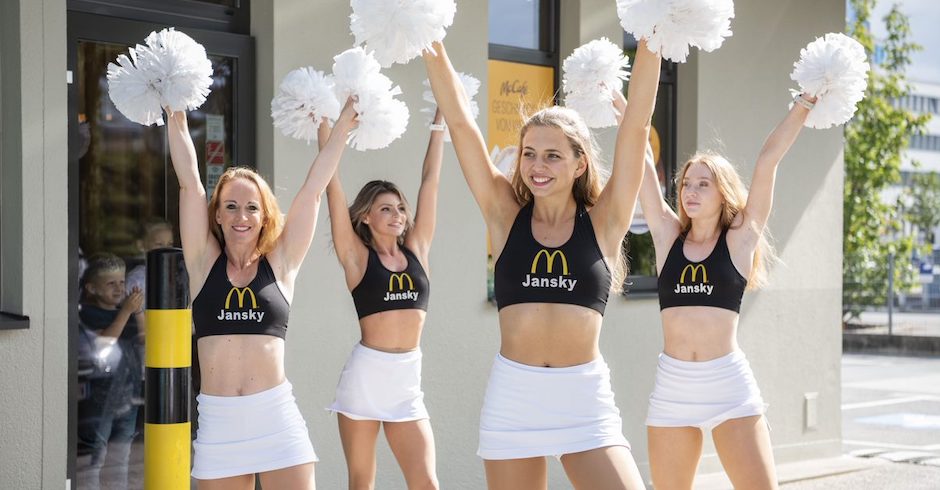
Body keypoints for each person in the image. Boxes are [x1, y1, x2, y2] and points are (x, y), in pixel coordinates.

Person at [422, 38, 660, 489]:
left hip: (584, 397)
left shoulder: (605, 221)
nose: (537, 165)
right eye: (529, 153)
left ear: (579, 163)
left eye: (553, 155)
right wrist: (429, 39)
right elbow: (459, 119)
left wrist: (653, 37)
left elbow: (635, 127)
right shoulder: (503, 214)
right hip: (514, 396)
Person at [166, 98, 357, 489]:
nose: (241, 217)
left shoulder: (281, 263)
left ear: (265, 215)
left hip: (276, 421)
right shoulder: (203, 264)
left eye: (252, 207)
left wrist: (341, 127)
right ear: (216, 214)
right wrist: (176, 115)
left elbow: (314, 190)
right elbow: (189, 183)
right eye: (231, 206)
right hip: (219, 424)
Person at [635, 82, 816, 488]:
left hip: (728, 385)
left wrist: (805, 103)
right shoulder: (667, 237)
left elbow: (768, 161)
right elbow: (643, 163)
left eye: (704, 183)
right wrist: (621, 107)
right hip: (673, 387)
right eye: (686, 183)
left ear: (723, 192)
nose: (691, 191)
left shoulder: (739, 239)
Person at [321, 108, 444, 490]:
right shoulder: (357, 258)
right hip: (365, 379)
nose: (397, 215)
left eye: (400, 208)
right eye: (385, 209)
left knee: (425, 481)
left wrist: (439, 124)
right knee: (362, 482)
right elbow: (332, 186)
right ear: (366, 218)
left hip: (407, 381)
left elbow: (430, 182)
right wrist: (327, 127)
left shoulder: (418, 249)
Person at [77, 253, 145, 490]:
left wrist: (137, 311)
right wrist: (126, 312)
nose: (119, 288)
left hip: (128, 394)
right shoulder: (87, 313)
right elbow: (104, 343)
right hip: (98, 399)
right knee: (95, 455)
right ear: (92, 289)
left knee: (121, 457)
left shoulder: (125, 311)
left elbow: (145, 338)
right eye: (110, 284)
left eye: (122, 282)